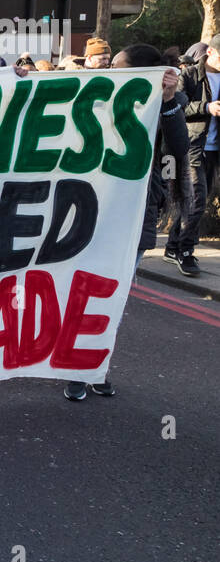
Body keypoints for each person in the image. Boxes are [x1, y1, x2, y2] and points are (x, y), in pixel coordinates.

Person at [66, 44, 187, 401]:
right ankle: (76, 368)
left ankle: (96, 365)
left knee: (112, 297)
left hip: (133, 216)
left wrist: (166, 101)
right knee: (82, 290)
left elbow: (177, 150)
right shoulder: (96, 98)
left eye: (119, 66)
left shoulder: (162, 107)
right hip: (88, 212)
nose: (111, 70)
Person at [164, 38, 220, 277]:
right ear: (210, 52)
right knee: (196, 200)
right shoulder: (188, 76)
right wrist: (207, 108)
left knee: (194, 200)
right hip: (192, 146)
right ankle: (185, 251)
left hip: (214, 148)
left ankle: (171, 245)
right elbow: (178, 106)